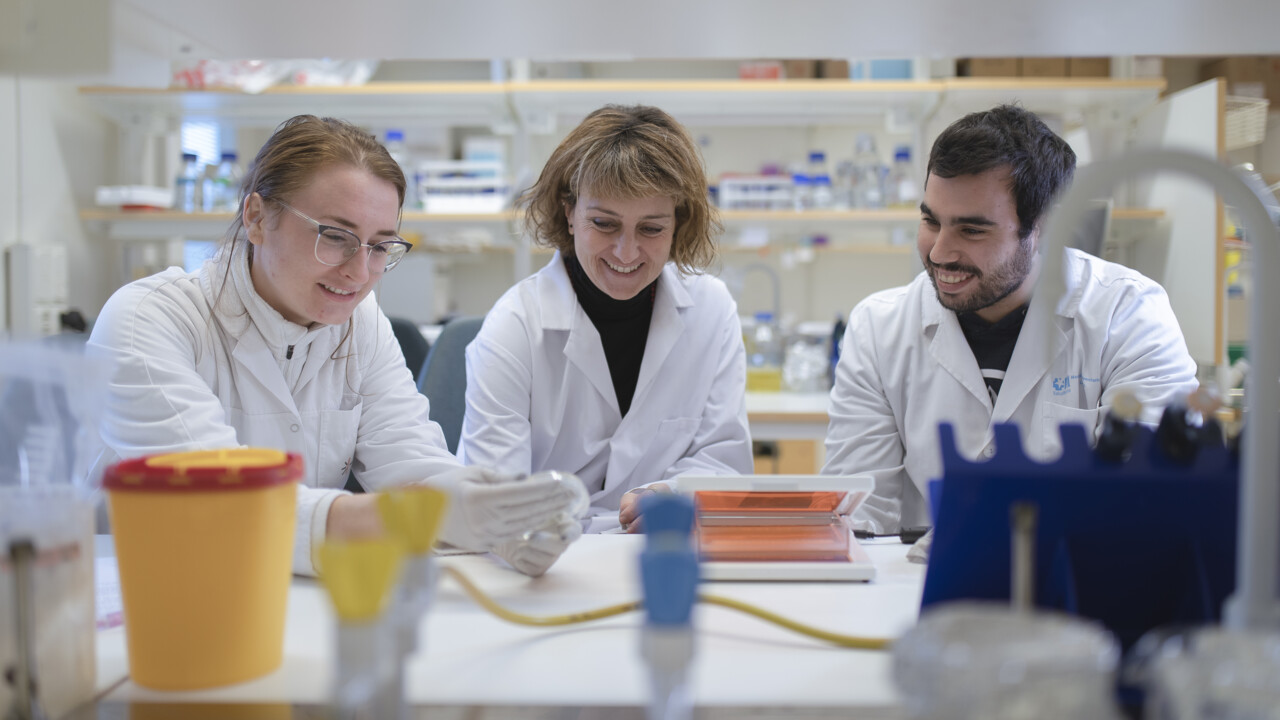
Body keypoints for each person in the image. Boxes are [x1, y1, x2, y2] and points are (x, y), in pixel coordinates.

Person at [89, 115, 581, 577]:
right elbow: (219, 503)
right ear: (257, 217)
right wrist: (419, 518)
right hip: (149, 598)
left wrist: (496, 518)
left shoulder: (359, 323)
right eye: (336, 236)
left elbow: (410, 461)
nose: (358, 272)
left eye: (380, 246)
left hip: (284, 595)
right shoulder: (148, 321)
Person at [823, 104, 1198, 534]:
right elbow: (857, 517)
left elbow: (1151, 504)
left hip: (1076, 588)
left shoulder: (1128, 315)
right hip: (919, 586)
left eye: (972, 230)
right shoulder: (878, 328)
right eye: (930, 220)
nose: (939, 252)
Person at [458, 104, 753, 531]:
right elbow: (492, 498)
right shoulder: (515, 326)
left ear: (677, 223)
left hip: (662, 545)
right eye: (604, 223)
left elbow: (724, 460)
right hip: (547, 563)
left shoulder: (711, 311)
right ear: (569, 213)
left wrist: (666, 496)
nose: (626, 252)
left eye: (651, 228)